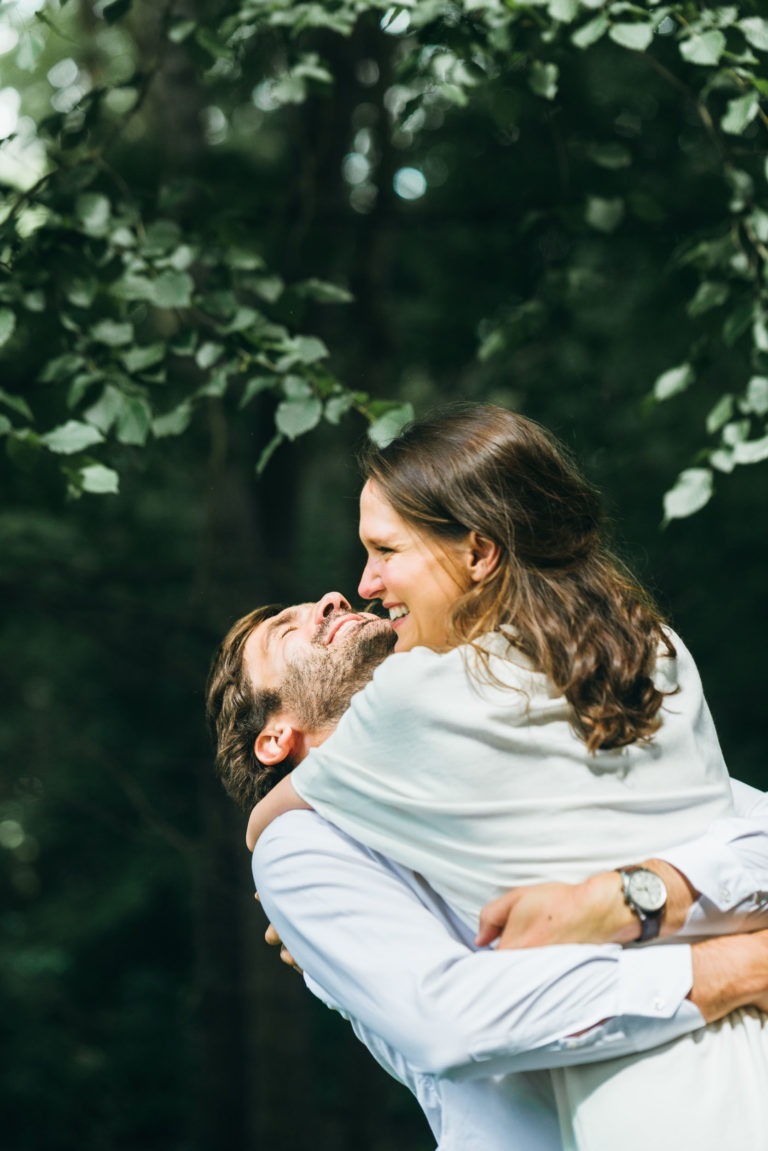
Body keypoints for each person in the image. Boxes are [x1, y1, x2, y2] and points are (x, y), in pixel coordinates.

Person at [242, 404, 768, 1149]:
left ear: (480, 552)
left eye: (384, 550)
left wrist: (623, 900)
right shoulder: (651, 651)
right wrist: (733, 957)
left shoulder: (431, 704)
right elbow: (451, 1019)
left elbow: (754, 834)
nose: (352, 590)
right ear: (275, 738)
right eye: (290, 631)